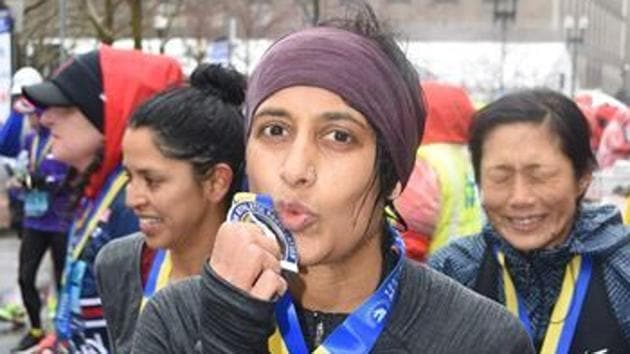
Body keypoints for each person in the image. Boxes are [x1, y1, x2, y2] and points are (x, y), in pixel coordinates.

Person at [132, 5, 533, 353]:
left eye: (339, 137)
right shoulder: (176, 319)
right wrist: (228, 335)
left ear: (393, 174)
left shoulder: (479, 338)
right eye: (274, 130)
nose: (294, 169)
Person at [429, 88, 630, 352]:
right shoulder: (450, 272)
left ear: (582, 177)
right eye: (500, 177)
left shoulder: (622, 270)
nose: (520, 198)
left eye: (540, 176)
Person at [22, 45, 183, 353]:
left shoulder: (134, 202)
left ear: (111, 114)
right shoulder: (99, 188)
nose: (46, 119)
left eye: (65, 107)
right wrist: (59, 341)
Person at [93, 63, 245, 354]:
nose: (132, 199)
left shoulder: (257, 290)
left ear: (216, 181)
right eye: (129, 177)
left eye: (152, 181)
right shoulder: (121, 264)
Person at [9, 95, 74, 353]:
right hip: (34, 221)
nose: (31, 120)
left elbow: (61, 179)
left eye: (33, 115)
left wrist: (37, 180)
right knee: (25, 278)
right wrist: (20, 184)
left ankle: (63, 335)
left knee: (62, 283)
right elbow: (22, 170)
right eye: (28, 116)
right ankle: (35, 329)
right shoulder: (30, 139)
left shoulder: (59, 138)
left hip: (60, 223)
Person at [394, 81, 482, 261]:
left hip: (433, 270)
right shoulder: (470, 156)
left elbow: (411, 231)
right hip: (471, 264)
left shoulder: (423, 162)